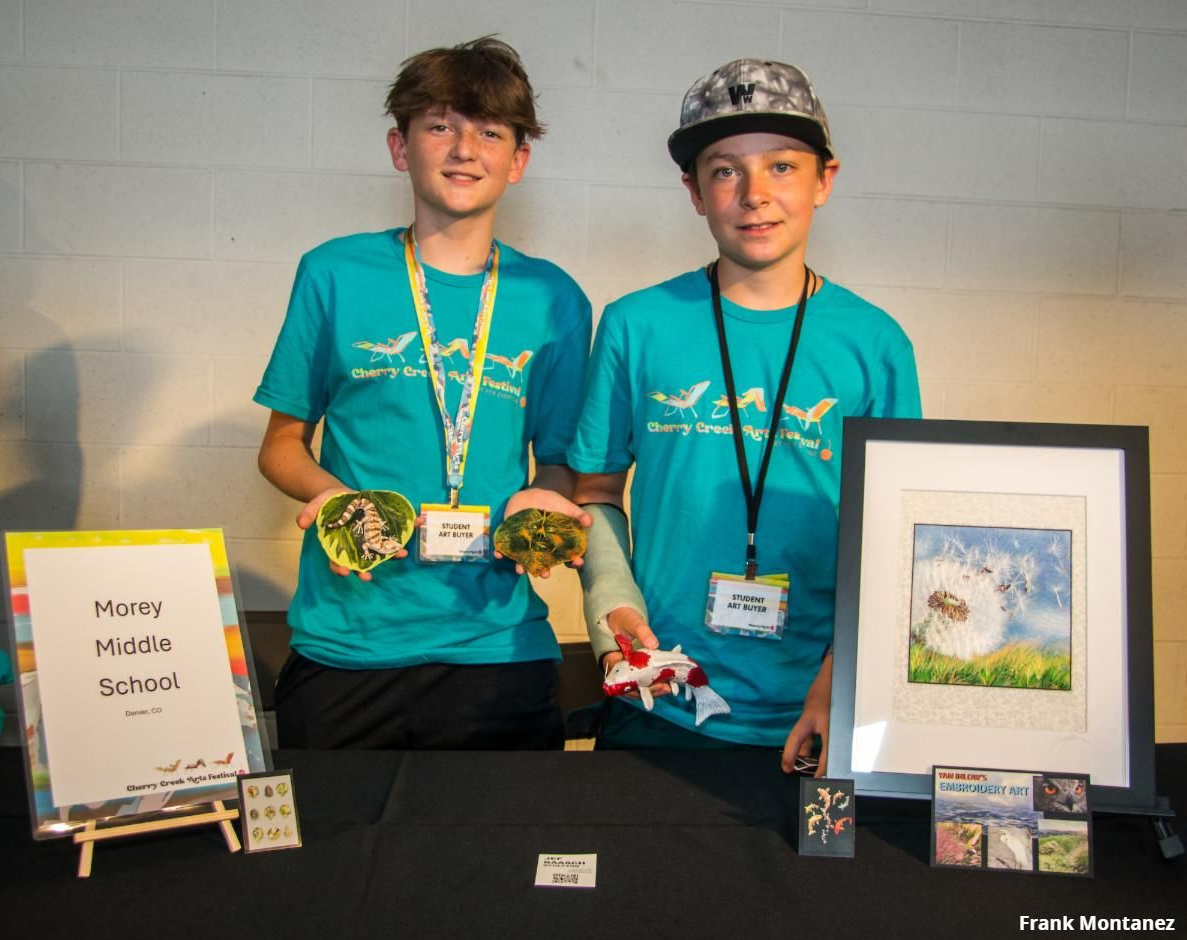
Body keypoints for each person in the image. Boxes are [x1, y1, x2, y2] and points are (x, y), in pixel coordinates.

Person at [570, 59, 921, 773]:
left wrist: (843, 676)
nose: (755, 194)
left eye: (782, 166)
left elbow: (894, 538)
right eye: (726, 170)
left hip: (818, 711)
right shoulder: (635, 324)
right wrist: (612, 604)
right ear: (694, 191)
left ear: (824, 179)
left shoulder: (876, 344)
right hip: (661, 695)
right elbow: (597, 491)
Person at [254, 37, 591, 750]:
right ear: (399, 147)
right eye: (440, 125)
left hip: (499, 652)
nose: (464, 149)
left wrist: (540, 497)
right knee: (325, 827)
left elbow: (560, 462)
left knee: (503, 829)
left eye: (490, 132)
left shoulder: (555, 299)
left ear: (518, 160)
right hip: (347, 645)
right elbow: (281, 445)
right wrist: (335, 499)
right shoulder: (334, 273)